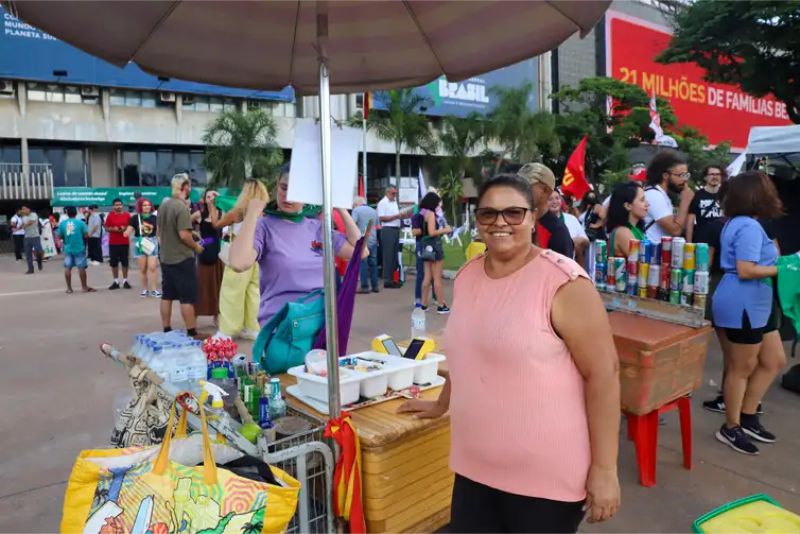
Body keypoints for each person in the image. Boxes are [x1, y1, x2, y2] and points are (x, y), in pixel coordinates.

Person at [398, 174, 621, 532]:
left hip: (545, 479)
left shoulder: (564, 283)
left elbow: (604, 375)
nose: (500, 222)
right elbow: (470, 352)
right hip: (474, 466)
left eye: (514, 213)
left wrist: (605, 469)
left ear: (533, 217)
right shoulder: (469, 275)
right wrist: (442, 404)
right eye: (489, 214)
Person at [229, 166, 362, 326]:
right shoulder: (263, 227)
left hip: (322, 325)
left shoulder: (317, 228)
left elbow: (361, 251)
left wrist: (339, 206)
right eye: (284, 188)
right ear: (277, 186)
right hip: (281, 327)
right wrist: (251, 214)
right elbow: (238, 263)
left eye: (297, 193)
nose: (288, 197)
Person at [711, 171, 786, 455]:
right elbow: (746, 269)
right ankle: (731, 426)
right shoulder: (748, 227)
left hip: (755, 302)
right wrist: (785, 268)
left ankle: (748, 414)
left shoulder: (741, 223)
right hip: (743, 301)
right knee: (741, 368)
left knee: (773, 360)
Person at [158, 173, 203, 336]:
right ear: (185, 187)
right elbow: (184, 235)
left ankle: (166, 328)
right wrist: (196, 246)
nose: (190, 189)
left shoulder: (164, 204)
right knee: (187, 297)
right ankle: (191, 331)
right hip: (182, 258)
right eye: (189, 186)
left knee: (167, 294)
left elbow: (160, 232)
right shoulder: (181, 206)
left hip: (166, 257)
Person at [518, 162, 575, 258]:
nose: (519, 190)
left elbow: (562, 270)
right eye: (518, 185)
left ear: (545, 190)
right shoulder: (514, 222)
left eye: (526, 186)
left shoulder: (557, 231)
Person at [642, 152, 694, 242]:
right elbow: (675, 230)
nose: (685, 180)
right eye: (681, 175)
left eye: (686, 175)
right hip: (652, 251)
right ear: (665, 175)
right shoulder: (654, 195)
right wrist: (685, 202)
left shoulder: (662, 195)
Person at [193, 189, 225, 324]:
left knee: (218, 285)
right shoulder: (199, 214)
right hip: (205, 253)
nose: (211, 198)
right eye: (208, 196)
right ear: (204, 199)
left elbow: (216, 226)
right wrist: (198, 238)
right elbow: (184, 224)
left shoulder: (222, 213)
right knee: (202, 285)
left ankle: (217, 316)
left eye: (213, 195)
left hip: (218, 253)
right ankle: (194, 316)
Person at [418, 192, 452, 314]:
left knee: (427, 277)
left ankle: (424, 304)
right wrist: (446, 230)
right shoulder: (431, 214)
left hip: (426, 246)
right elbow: (432, 232)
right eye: (438, 202)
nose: (439, 204)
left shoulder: (424, 214)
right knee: (437, 278)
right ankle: (442, 305)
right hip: (435, 246)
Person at [377, 185, 411, 289]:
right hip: (388, 229)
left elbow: (396, 215)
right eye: (393, 193)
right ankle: (387, 279)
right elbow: (382, 218)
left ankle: (394, 278)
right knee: (388, 255)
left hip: (395, 228)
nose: (394, 195)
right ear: (387, 193)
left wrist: (403, 215)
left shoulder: (394, 203)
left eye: (395, 193)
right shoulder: (383, 203)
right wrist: (396, 216)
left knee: (394, 255)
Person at [605, 182, 650, 259]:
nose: (647, 204)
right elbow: (641, 261)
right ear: (628, 206)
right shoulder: (622, 232)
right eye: (642, 200)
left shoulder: (635, 229)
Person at [125, 199, 160, 298]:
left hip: (152, 242)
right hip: (140, 243)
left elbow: (158, 233)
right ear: (140, 207)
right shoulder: (135, 218)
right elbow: (129, 230)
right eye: (144, 205)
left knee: (152, 267)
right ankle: (145, 289)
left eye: (148, 205)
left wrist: (161, 243)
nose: (147, 207)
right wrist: (126, 232)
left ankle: (154, 290)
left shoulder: (155, 218)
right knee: (143, 268)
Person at [56, 206, 95, 294]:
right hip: (79, 247)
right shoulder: (81, 223)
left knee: (67, 268)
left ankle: (69, 288)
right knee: (81, 267)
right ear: (76, 213)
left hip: (68, 249)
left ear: (67, 214)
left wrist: (66, 237)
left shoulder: (63, 224)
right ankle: (84, 287)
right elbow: (86, 235)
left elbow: (59, 236)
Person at [687, 164, 726, 245]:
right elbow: (690, 222)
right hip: (702, 241)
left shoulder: (725, 195)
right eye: (711, 174)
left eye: (717, 174)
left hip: (721, 240)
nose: (715, 177)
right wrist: (689, 243)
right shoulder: (696, 196)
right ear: (705, 177)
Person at [548, 190, 589, 265]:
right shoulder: (540, 222)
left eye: (557, 198)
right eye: (550, 199)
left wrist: (575, 242)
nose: (554, 202)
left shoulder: (571, 219)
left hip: (569, 266)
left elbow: (586, 242)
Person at [351, 196, 380, 294]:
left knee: (363, 263)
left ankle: (364, 286)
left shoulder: (356, 211)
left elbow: (352, 223)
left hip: (362, 240)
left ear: (356, 204)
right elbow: (377, 225)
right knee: (373, 263)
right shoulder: (373, 211)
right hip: (373, 239)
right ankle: (375, 286)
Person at [104, 198, 132, 290]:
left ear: (122, 205)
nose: (118, 206)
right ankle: (116, 281)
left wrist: (125, 228)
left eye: (120, 204)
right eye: (116, 205)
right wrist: (114, 229)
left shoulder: (127, 215)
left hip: (124, 242)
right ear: (113, 206)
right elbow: (106, 227)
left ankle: (125, 281)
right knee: (114, 263)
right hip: (113, 243)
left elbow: (131, 226)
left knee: (125, 262)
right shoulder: (110, 215)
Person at [20, 204, 44, 274]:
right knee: (28, 254)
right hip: (27, 237)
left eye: (24, 209)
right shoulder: (23, 217)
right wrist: (20, 226)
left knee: (38, 251)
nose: (23, 210)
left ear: (28, 209)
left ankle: (39, 262)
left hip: (35, 236)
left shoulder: (34, 214)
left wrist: (22, 226)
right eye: (22, 209)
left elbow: (30, 222)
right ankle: (30, 269)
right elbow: (23, 225)